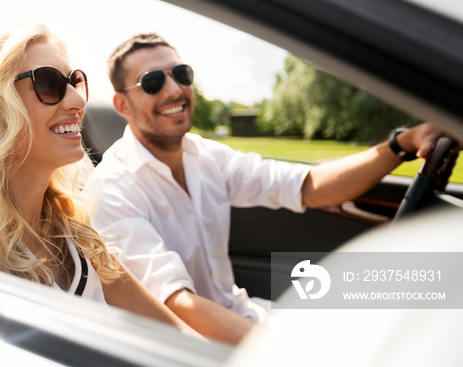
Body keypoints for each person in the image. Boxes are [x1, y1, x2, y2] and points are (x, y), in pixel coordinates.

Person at [87, 32, 457, 345]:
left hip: (245, 315)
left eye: (181, 74)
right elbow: (176, 303)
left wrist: (401, 144)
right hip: (195, 344)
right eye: (153, 81)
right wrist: (282, 350)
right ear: (122, 103)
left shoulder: (206, 156)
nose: (175, 90)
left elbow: (308, 186)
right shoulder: (114, 187)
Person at [0, 24, 199, 336]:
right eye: (48, 84)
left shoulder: (78, 235)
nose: (77, 101)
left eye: (74, 81)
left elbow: (178, 338)